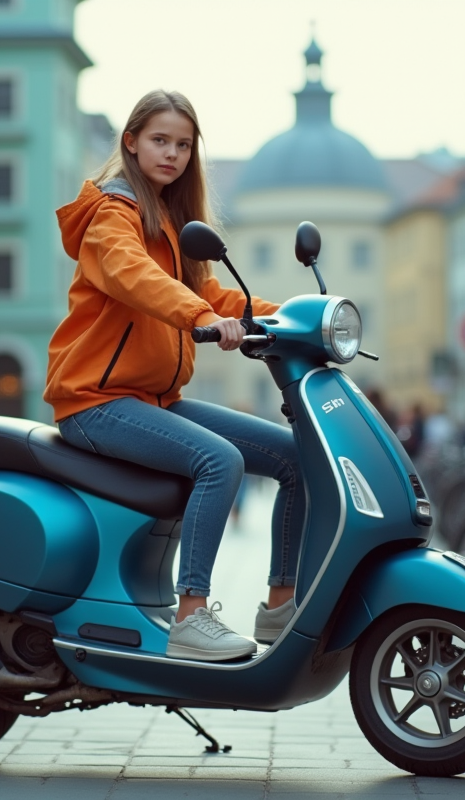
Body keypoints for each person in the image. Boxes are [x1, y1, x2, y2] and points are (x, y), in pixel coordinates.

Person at [46, 90, 295, 662]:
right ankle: (191, 616)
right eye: (160, 140)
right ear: (131, 142)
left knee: (294, 457)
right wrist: (201, 317)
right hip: (94, 402)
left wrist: (291, 318)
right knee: (220, 460)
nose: (173, 154)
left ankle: (280, 606)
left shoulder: (172, 221)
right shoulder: (113, 214)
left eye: (184, 145)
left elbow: (207, 291)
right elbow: (136, 278)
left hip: (155, 400)